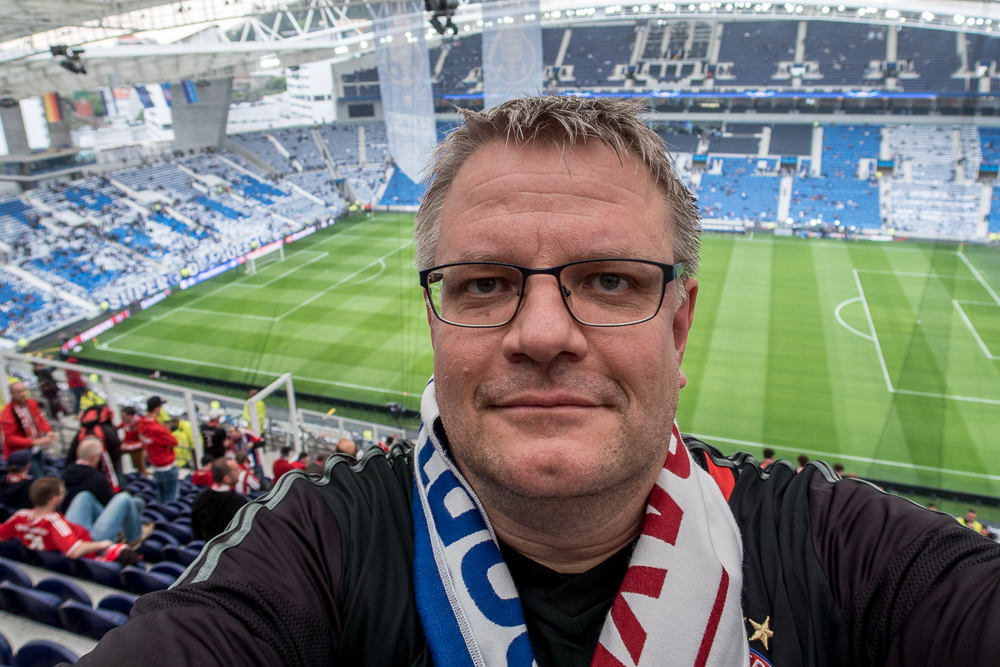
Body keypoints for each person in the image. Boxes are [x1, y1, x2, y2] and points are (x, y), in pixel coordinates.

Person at [76, 97, 1000, 666]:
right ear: (435, 319)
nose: (545, 334)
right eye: (485, 283)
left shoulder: (842, 549)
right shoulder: (315, 545)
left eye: (610, 280)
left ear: (680, 324)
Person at [0, 477, 135, 563]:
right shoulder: (53, 522)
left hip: (70, 533)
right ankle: (133, 536)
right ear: (55, 499)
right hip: (89, 542)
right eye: (62, 493)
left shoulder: (20, 516)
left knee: (85, 496)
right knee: (124, 498)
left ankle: (119, 530)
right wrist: (102, 544)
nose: (63, 495)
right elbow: (73, 551)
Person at [61, 437, 152, 545]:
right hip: (92, 542)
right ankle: (135, 538)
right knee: (126, 499)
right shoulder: (97, 479)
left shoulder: (64, 474)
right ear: (94, 457)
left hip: (73, 529)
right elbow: (110, 504)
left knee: (85, 496)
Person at [1, 381, 57, 477]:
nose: (22, 394)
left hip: (37, 450)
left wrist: (48, 431)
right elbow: (10, 439)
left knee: (42, 473)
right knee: (36, 478)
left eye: (23, 391)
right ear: (12, 394)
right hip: (22, 454)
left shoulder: (31, 403)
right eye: (18, 392)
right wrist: (34, 442)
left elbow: (39, 418)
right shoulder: (7, 414)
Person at [190, 459, 248, 541]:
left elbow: (196, 530)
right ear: (226, 479)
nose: (239, 470)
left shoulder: (200, 498)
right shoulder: (240, 503)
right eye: (235, 470)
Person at [138, 396, 178, 503]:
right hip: (166, 466)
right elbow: (174, 441)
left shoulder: (142, 422)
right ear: (156, 409)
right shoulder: (157, 429)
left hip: (155, 464)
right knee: (170, 498)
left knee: (161, 496)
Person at [118, 406, 146, 475]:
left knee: (140, 469)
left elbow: (142, 441)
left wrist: (128, 446)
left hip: (137, 449)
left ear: (130, 416)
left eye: (124, 416)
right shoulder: (125, 422)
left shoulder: (139, 424)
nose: (122, 418)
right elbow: (117, 427)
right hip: (127, 445)